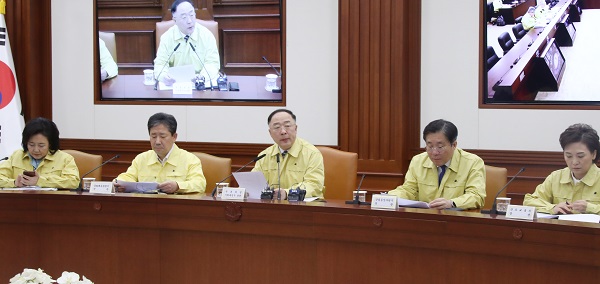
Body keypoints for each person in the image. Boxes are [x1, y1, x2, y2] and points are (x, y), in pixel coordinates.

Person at [387, 119, 486, 210]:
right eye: (430, 146)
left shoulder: (473, 162)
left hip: (457, 221)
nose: (434, 152)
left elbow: (476, 196)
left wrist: (452, 203)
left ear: (454, 145)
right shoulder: (418, 161)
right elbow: (409, 190)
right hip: (425, 220)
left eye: (440, 147)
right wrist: (389, 197)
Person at [113, 112, 206, 194]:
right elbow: (127, 177)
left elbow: (199, 184)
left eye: (162, 136)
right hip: (146, 208)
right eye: (153, 136)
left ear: (174, 137)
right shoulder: (141, 159)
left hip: (176, 208)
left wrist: (177, 186)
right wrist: (118, 182)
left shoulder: (190, 159)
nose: (157, 141)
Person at [524, 124, 600, 215]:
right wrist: (553, 208)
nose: (574, 162)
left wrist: (590, 208)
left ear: (594, 154)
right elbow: (529, 201)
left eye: (580, 156)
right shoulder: (556, 177)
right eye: (569, 156)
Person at [252, 109, 325, 199]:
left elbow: (314, 185)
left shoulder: (312, 154)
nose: (283, 131)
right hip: (272, 207)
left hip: (304, 208)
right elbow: (253, 184)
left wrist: (287, 193)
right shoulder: (264, 155)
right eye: (277, 127)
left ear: (295, 128)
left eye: (287, 126)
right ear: (270, 133)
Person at [153, 0, 220, 86]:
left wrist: (202, 77)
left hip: (200, 85)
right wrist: (164, 76)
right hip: (175, 85)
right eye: (184, 17)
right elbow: (160, 64)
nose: (189, 21)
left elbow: (213, 63)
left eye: (192, 15)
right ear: (175, 20)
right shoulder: (167, 37)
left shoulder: (207, 36)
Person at [0, 117, 79, 188]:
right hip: (20, 202)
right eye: (31, 144)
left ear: (50, 143)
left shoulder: (65, 159)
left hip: (51, 202)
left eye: (41, 145)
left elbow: (73, 182)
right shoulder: (16, 156)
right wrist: (14, 183)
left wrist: (40, 181)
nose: (36, 150)